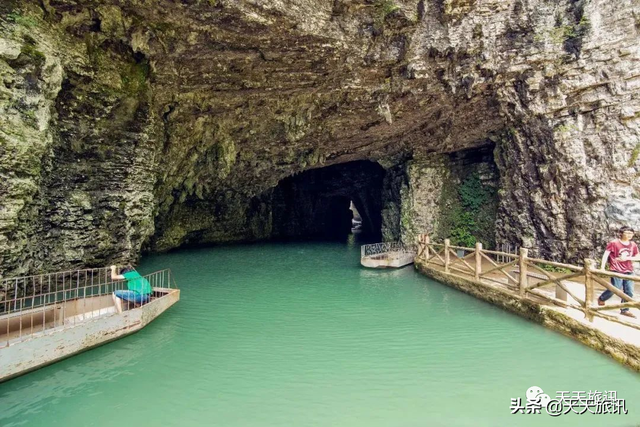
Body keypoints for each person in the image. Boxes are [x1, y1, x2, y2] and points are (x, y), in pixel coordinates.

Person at [597, 226, 639, 318]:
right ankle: (602, 298)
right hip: (616, 269)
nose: (629, 235)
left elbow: (638, 256)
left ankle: (625, 310)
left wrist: (627, 258)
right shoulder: (614, 243)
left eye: (631, 233)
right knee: (615, 288)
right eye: (627, 233)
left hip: (629, 270)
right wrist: (602, 267)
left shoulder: (633, 244)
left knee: (629, 291)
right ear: (621, 233)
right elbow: (606, 254)